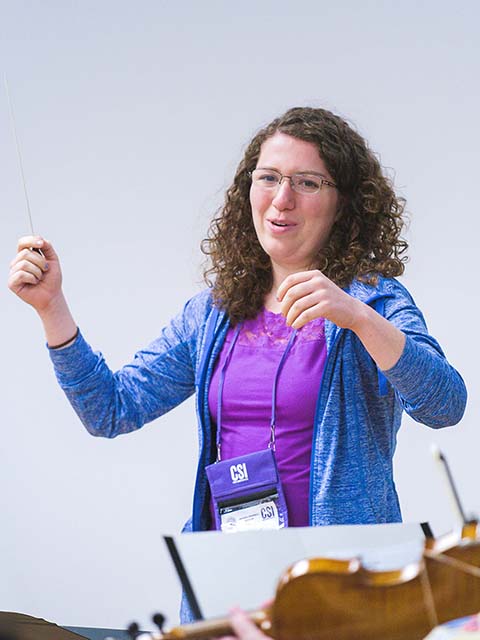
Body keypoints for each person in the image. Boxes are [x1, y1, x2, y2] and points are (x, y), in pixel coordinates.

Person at [9, 106, 466, 627]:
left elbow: (445, 404)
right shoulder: (213, 314)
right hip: (234, 585)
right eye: (268, 178)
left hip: (344, 588)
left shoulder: (374, 301)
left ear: (345, 203)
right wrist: (52, 308)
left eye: (308, 182)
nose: (281, 199)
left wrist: (356, 316)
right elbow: (112, 410)